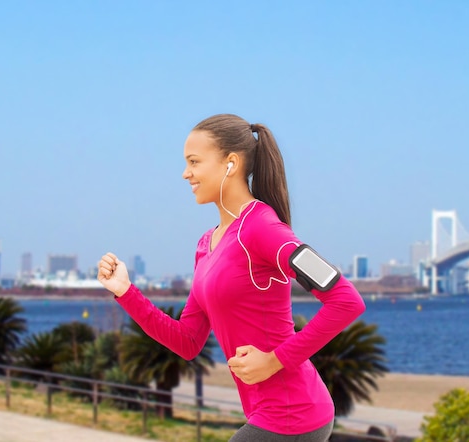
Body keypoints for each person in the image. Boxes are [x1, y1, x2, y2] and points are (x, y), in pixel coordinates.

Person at [98, 113, 366, 441]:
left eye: (194, 162)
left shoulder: (264, 229)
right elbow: (188, 341)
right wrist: (126, 292)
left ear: (231, 163)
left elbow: (346, 300)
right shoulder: (205, 246)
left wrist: (275, 361)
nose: (186, 174)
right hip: (266, 414)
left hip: (293, 414)